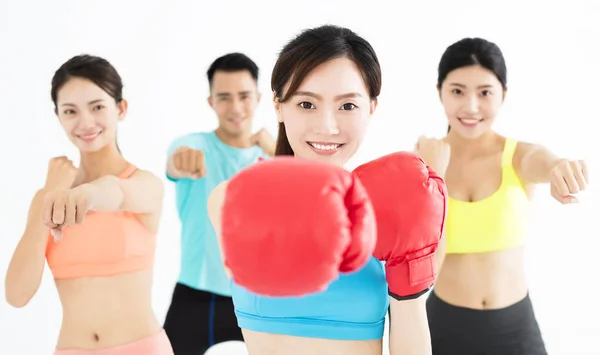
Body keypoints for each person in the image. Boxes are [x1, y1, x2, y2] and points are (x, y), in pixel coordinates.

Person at [206, 25, 448, 355]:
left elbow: (411, 323)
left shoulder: (398, 203)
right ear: (278, 105)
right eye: (307, 104)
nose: (328, 126)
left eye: (347, 106)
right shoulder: (233, 199)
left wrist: (431, 188)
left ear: (371, 109)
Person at [416, 37, 589, 355]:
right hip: (442, 326)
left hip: (514, 330)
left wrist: (558, 167)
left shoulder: (518, 156)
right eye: (457, 91)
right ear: (439, 91)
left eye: (485, 92)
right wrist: (431, 173)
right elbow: (416, 255)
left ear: (503, 94)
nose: (470, 107)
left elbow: (543, 160)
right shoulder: (423, 162)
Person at [4, 55, 172, 354]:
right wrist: (52, 194)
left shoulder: (144, 184)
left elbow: (116, 192)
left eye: (97, 107)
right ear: (58, 116)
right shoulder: (48, 195)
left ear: (120, 108)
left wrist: (87, 194)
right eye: (70, 111)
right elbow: (17, 295)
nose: (85, 122)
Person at [162, 52, 273, 354]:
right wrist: (180, 162)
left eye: (244, 96)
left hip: (259, 297)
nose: (235, 107)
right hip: (196, 295)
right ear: (211, 102)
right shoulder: (194, 146)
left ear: (259, 97)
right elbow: (176, 162)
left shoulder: (275, 157)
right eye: (224, 97)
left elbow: (311, 188)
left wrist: (277, 150)